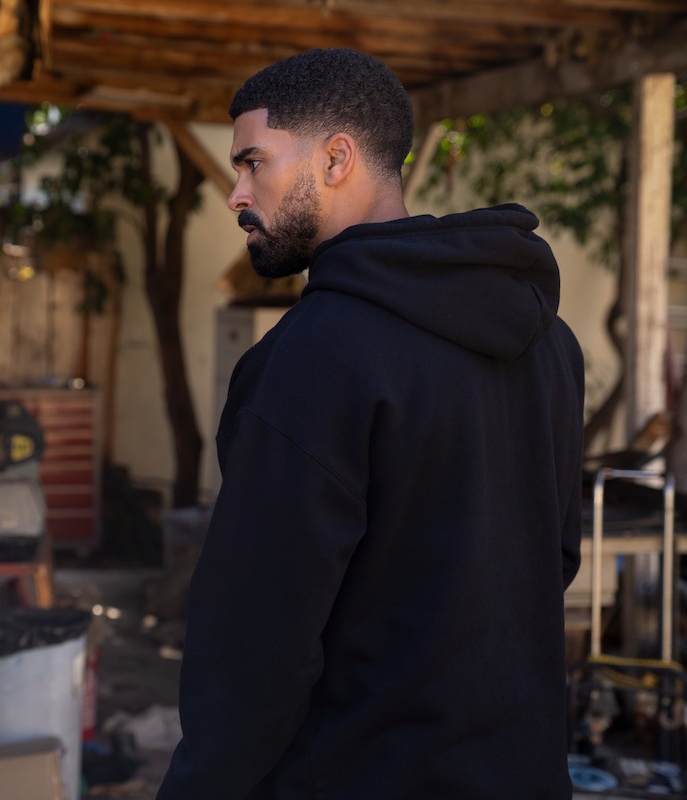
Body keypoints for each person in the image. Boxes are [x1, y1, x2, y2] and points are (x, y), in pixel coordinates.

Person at [158, 49, 584, 800]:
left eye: (254, 163)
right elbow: (554, 560)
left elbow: (257, 646)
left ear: (336, 158)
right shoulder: (550, 342)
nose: (236, 194)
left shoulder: (308, 360)